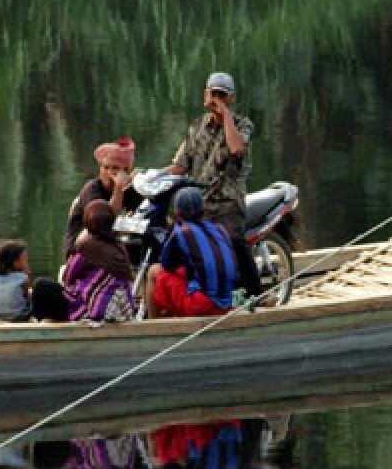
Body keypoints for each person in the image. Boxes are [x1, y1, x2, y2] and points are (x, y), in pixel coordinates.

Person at [167, 72, 261, 296]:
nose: (216, 100)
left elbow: (237, 149)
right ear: (205, 95)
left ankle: (258, 294)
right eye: (213, 94)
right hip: (200, 202)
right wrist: (152, 175)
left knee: (235, 242)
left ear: (231, 98)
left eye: (222, 95)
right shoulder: (197, 126)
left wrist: (226, 116)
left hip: (228, 202)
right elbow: (180, 166)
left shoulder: (242, 124)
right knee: (178, 238)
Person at [31, 199, 136, 323]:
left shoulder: (87, 247)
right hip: (121, 309)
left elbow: (67, 278)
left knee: (41, 285)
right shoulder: (119, 247)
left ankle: (41, 323)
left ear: (87, 223)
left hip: (93, 309)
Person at [146, 187, 238, 318]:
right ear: (203, 210)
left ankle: (152, 323)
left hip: (200, 305)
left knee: (154, 271)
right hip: (227, 301)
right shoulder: (220, 229)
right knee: (187, 274)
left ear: (177, 212)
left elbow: (167, 265)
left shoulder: (180, 232)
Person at [62, 137, 142, 258]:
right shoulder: (92, 189)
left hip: (111, 245)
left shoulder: (131, 191)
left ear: (126, 171)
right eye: (105, 167)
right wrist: (118, 189)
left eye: (115, 168)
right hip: (80, 252)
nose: (108, 173)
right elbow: (104, 222)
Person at [0, 239, 32, 321]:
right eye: (25, 259)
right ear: (15, 263)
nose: (26, 263)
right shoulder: (23, 278)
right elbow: (27, 300)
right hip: (17, 317)